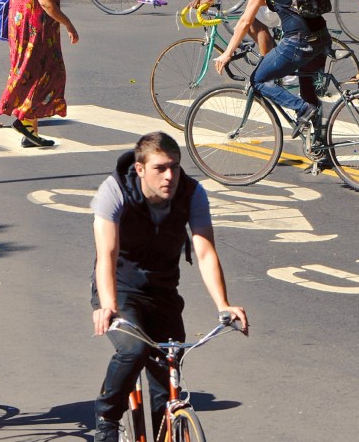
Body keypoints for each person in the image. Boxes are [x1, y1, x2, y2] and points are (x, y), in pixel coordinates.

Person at [91, 132, 248, 442]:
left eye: (175, 167)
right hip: (121, 290)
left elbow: (205, 252)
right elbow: (106, 255)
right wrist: (107, 305)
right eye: (160, 168)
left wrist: (223, 305)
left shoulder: (192, 193)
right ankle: (107, 417)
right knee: (135, 350)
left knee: (167, 377)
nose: (170, 176)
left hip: (163, 292)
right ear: (139, 169)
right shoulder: (114, 192)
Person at [213, 0, 333, 140]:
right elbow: (266, 10)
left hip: (298, 42)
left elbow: (245, 20)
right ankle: (320, 148)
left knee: (258, 80)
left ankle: (302, 109)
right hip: (321, 37)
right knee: (308, 90)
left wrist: (227, 53)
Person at [0, 0, 80, 148]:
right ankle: (23, 121)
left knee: (28, 72)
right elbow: (45, 1)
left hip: (18, 25)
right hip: (38, 27)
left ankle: (29, 133)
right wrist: (68, 23)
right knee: (44, 74)